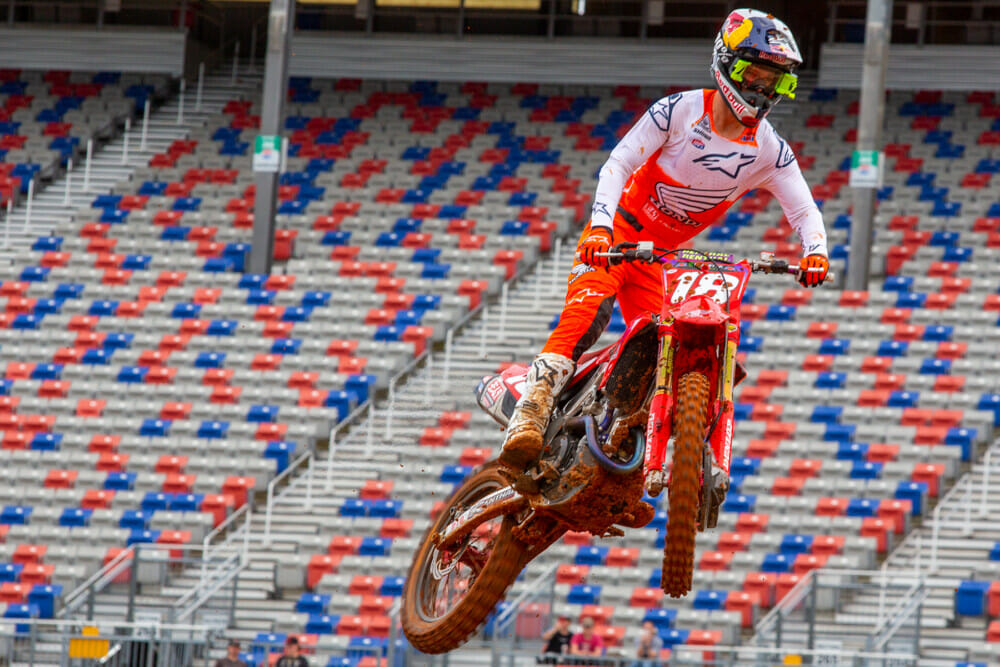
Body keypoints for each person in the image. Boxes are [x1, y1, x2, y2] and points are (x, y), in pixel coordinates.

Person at [498, 8, 830, 512]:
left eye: (775, 82)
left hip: (664, 260)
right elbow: (619, 163)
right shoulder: (676, 112)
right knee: (586, 316)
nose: (762, 92)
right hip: (616, 240)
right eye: (753, 76)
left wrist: (816, 252)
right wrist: (602, 225)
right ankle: (531, 410)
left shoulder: (770, 150)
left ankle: (627, 460)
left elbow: (803, 209)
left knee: (667, 357)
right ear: (726, 66)